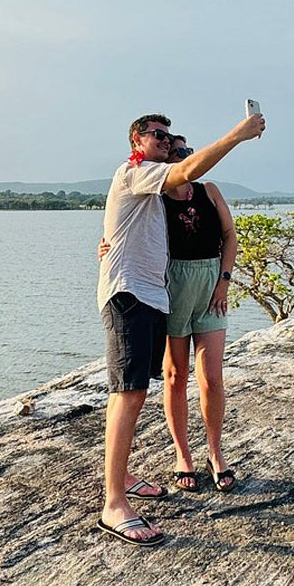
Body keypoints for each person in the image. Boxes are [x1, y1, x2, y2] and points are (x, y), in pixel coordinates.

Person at [96, 111, 265, 546]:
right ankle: (114, 503)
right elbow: (184, 172)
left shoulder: (155, 190)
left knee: (133, 392)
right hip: (130, 295)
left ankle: (123, 477)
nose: (166, 141)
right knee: (129, 392)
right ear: (136, 140)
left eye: (169, 137)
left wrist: (108, 242)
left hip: (152, 295)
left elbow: (135, 227)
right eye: (157, 135)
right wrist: (238, 135)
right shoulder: (135, 171)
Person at [100, 135, 239, 493]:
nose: (183, 156)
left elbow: (229, 236)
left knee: (212, 376)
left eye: (186, 151)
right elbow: (126, 228)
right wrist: (105, 247)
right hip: (171, 285)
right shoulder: (155, 196)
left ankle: (216, 453)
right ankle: (183, 455)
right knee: (176, 375)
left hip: (210, 283)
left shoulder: (209, 191)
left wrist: (223, 282)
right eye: (177, 152)